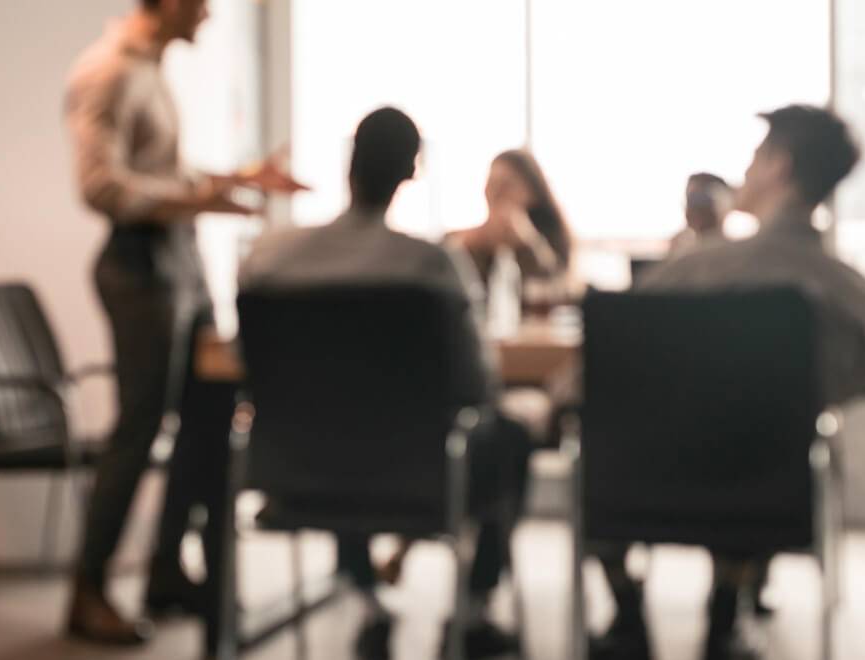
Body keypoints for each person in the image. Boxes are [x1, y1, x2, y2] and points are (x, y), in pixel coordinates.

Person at [588, 105, 865, 659]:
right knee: (763, 435)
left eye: (755, 158)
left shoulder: (690, 269)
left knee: (589, 431)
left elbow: (592, 370)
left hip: (639, 485)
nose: (745, 172)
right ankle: (728, 605)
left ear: (780, 166)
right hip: (768, 493)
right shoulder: (860, 300)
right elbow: (852, 381)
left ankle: (627, 609)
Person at [239, 107, 533, 659]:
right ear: (410, 172)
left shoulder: (270, 259)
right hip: (419, 474)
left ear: (349, 165)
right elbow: (476, 384)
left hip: (294, 471)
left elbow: (246, 367)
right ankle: (471, 613)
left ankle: (369, 598)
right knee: (509, 437)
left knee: (343, 427)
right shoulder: (431, 267)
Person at [62, 0, 307, 645]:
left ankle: (169, 571)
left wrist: (237, 178)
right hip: (141, 268)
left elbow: (160, 174)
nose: (207, 16)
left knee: (207, 417)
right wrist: (198, 199)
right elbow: (100, 186)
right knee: (139, 428)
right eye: (201, 4)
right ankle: (88, 591)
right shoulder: (109, 72)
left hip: (178, 264)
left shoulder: (151, 70)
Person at [448, 149, 573, 286]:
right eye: (491, 183)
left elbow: (559, 290)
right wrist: (468, 251)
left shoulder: (553, 241)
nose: (495, 193)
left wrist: (528, 245)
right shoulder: (461, 239)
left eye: (505, 185)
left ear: (532, 192)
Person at [666, 172, 734, 259]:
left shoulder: (737, 255)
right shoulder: (681, 251)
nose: (691, 209)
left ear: (722, 203)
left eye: (700, 198)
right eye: (689, 200)